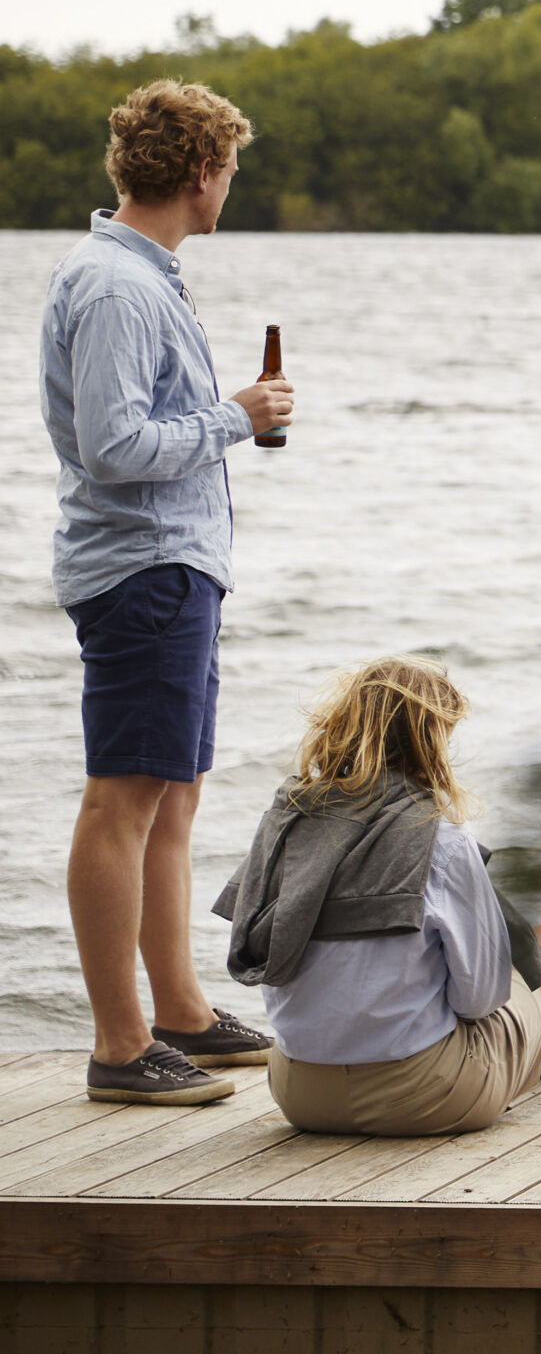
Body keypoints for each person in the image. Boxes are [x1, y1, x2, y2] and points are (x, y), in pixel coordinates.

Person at [41, 80, 293, 1106]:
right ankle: (120, 1044)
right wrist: (236, 417)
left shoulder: (143, 274)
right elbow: (113, 447)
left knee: (173, 793)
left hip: (173, 567)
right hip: (142, 569)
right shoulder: (117, 285)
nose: (230, 186)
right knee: (124, 798)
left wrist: (230, 416)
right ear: (200, 172)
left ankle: (180, 1011)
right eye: (229, 168)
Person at [215, 657, 541, 1136]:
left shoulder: (286, 824)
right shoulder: (438, 838)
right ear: (431, 742)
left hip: (300, 1094)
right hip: (426, 1097)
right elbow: (479, 1000)